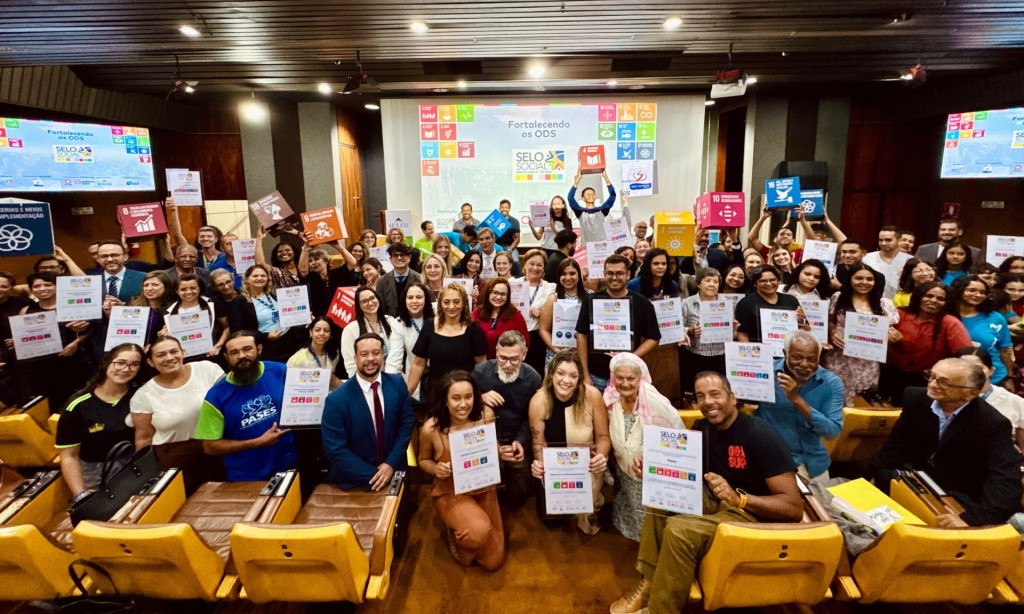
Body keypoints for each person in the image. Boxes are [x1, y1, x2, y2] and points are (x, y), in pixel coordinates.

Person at [610, 371, 802, 614]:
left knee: (678, 530)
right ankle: (649, 583)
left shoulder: (761, 436)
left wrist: (740, 499)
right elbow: (683, 471)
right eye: (700, 396)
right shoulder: (702, 428)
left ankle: (661, 610)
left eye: (715, 394)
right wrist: (653, 469)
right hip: (714, 500)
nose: (708, 402)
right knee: (660, 498)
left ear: (732, 397)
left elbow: (793, 508)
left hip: (749, 515)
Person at [874, 358, 1022, 527]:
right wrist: (878, 481)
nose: (933, 384)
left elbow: (1004, 477)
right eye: (931, 376)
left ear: (970, 393)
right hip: (913, 481)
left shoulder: (992, 422)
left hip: (957, 493)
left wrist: (972, 520)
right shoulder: (915, 398)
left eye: (944, 382)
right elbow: (894, 448)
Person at [418, 370, 505, 570]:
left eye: (468, 397)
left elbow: (493, 447)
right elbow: (423, 460)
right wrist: (437, 469)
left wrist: (501, 452)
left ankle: (467, 524)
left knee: (493, 562)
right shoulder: (431, 429)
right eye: (456, 398)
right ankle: (458, 533)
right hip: (451, 490)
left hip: (484, 486)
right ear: (445, 400)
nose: (463, 404)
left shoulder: (486, 415)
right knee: (477, 532)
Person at [193, 331, 297, 482]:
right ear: (226, 357)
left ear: (259, 349)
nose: (242, 356)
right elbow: (209, 446)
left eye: (247, 349)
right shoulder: (215, 396)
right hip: (246, 476)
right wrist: (258, 442)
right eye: (234, 352)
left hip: (288, 462)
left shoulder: (279, 371)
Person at [603, 353, 684, 541]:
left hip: (651, 472)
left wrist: (655, 459)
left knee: (650, 529)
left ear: (640, 378)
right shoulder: (610, 399)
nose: (625, 384)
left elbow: (677, 434)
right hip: (624, 470)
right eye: (619, 378)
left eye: (630, 378)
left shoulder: (654, 401)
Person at [529, 350, 610, 534]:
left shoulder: (592, 395)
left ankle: (597, 494)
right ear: (551, 374)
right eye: (561, 373)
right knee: (552, 521)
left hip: (585, 465)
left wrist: (600, 457)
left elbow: (603, 437)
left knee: (587, 513)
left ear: (579, 378)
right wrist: (540, 464)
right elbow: (538, 443)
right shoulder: (538, 401)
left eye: (573, 376)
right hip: (555, 468)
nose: (566, 380)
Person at [321, 332, 414, 490]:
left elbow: (406, 426)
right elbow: (335, 449)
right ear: (355, 358)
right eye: (364, 354)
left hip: (395, 473)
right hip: (353, 482)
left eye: (376, 353)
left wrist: (390, 464)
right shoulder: (336, 400)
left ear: (382, 355)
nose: (370, 358)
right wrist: (375, 476)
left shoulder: (397, 384)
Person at [130, 337, 224, 490]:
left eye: (174, 351)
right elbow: (143, 439)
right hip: (174, 460)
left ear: (183, 352)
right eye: (161, 355)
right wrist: (145, 475)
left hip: (218, 448)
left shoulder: (207, 369)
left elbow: (231, 401)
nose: (169, 358)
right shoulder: (143, 395)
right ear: (151, 362)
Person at [56, 343, 144, 501]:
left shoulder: (142, 394)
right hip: (96, 474)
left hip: (136, 467)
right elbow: (69, 456)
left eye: (134, 364)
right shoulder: (78, 405)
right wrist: (81, 495)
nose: (126, 369)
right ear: (107, 363)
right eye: (120, 363)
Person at [754, 331, 844, 482]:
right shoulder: (765, 372)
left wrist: (796, 399)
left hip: (812, 461)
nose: (804, 364)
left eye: (811, 359)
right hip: (770, 456)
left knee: (822, 497)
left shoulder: (831, 383)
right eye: (797, 357)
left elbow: (832, 431)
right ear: (785, 354)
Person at [472, 331, 542, 506]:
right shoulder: (480, 372)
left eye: (514, 359)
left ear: (524, 354)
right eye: (503, 358)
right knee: (481, 492)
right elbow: (464, 406)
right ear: (496, 352)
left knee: (519, 494)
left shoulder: (533, 378)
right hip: (485, 440)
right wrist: (479, 397)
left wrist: (520, 441)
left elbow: (533, 418)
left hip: (515, 441)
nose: (508, 365)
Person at [575, 254, 661, 392]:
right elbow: (581, 335)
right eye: (610, 273)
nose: (614, 277)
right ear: (604, 274)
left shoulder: (643, 303)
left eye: (619, 273)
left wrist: (630, 357)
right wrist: (585, 375)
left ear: (628, 274)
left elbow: (654, 337)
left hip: (627, 377)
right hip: (595, 375)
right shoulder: (590, 301)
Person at [822, 262, 900, 404]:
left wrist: (892, 336)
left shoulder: (884, 304)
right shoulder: (838, 298)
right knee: (834, 398)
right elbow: (829, 321)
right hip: (839, 358)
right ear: (850, 279)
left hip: (867, 362)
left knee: (862, 400)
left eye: (869, 279)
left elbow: (889, 331)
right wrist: (833, 332)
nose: (864, 282)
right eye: (858, 278)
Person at [883, 281, 972, 404]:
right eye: (929, 296)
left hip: (927, 381)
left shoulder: (950, 323)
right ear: (919, 297)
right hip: (891, 375)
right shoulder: (900, 315)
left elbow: (966, 355)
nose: (934, 301)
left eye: (940, 299)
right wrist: (886, 338)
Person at [17, 272, 94, 408]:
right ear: (32, 289)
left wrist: (77, 342)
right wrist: (17, 341)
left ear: (58, 286)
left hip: (71, 360)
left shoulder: (72, 306)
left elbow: (91, 329)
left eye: (48, 285)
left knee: (74, 401)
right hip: (40, 366)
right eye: (37, 286)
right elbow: (23, 335)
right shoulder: (25, 310)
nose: (42, 289)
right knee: (48, 403)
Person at [406, 283, 487, 398]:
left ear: (464, 303)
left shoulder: (473, 329)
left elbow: (481, 365)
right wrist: (406, 395)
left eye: (456, 301)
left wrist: (481, 394)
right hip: (436, 393)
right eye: (446, 302)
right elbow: (418, 364)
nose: (451, 306)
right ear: (440, 303)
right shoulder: (429, 325)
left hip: (465, 394)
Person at [626, 248, 682, 405]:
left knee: (668, 379)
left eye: (664, 263)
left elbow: (675, 311)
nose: (661, 267)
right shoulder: (634, 285)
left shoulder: (672, 285)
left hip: (667, 339)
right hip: (644, 338)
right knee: (646, 381)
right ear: (648, 265)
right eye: (656, 263)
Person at [950, 275, 1016, 389]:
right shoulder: (947, 317)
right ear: (959, 291)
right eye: (972, 290)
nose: (978, 295)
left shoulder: (995, 317)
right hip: (954, 379)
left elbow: (1005, 350)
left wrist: (1009, 378)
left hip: (994, 379)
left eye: (982, 292)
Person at [227, 264, 298, 363]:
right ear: (247, 279)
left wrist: (302, 317)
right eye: (255, 276)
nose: (259, 278)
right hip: (265, 348)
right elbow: (238, 331)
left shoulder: (274, 295)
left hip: (288, 343)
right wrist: (266, 336)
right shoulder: (239, 301)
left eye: (263, 276)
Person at [955, 348, 1024, 450]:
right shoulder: (944, 398)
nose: (970, 373)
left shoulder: (1014, 401)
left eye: (978, 368)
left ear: (991, 370)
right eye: (962, 368)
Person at [680, 268, 731, 391]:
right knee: (696, 390)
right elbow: (679, 328)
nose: (712, 284)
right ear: (699, 284)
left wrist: (732, 328)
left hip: (720, 356)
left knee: (718, 390)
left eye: (715, 282)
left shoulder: (726, 303)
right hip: (695, 355)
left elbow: (731, 334)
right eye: (708, 281)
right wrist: (690, 330)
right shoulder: (687, 303)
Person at [340, 286, 403, 378]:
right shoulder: (350, 330)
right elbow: (351, 365)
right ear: (359, 306)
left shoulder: (391, 321)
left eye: (372, 298)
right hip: (366, 380)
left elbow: (398, 354)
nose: (370, 303)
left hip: (393, 376)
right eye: (364, 301)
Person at [735, 265, 807, 344]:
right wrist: (753, 351)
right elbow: (741, 334)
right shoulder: (746, 303)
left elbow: (807, 329)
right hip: (759, 349)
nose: (769, 284)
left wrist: (801, 322)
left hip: (789, 349)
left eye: (773, 280)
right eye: (763, 281)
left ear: (778, 281)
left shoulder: (791, 300)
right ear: (755, 283)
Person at [512, 249, 556, 375]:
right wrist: (527, 308)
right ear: (525, 264)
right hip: (515, 335)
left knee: (535, 374)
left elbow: (554, 312)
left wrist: (542, 312)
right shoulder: (513, 283)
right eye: (531, 263)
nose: (535, 268)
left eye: (539, 265)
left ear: (544, 268)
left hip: (538, 338)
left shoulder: (550, 287)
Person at [538, 258, 587, 371]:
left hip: (583, 355)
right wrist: (557, 350)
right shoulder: (553, 298)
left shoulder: (589, 296)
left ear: (579, 275)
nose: (568, 277)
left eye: (572, 273)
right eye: (563, 274)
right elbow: (543, 330)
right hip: (557, 355)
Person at [166, 273, 227, 360]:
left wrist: (218, 345)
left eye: (193, 288)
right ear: (177, 291)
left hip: (212, 355)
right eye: (183, 289)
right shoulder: (167, 311)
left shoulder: (213, 303)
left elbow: (227, 327)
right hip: (184, 359)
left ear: (199, 288)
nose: (188, 292)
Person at [394, 282, 434, 402]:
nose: (414, 301)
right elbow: (394, 358)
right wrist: (390, 386)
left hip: (440, 375)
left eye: (419, 297)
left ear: (426, 299)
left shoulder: (438, 314)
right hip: (416, 378)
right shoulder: (399, 323)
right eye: (410, 297)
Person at [472, 277, 529, 359]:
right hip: (480, 362)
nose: (498, 297)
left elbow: (525, 343)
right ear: (488, 293)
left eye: (503, 294)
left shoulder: (516, 316)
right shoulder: (476, 314)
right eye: (495, 293)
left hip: (507, 363)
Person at [287, 317, 343, 390]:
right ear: (311, 332)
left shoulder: (334, 352)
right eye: (317, 330)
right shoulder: (297, 358)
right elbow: (289, 384)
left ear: (330, 334)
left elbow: (333, 380)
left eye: (326, 330)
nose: (322, 333)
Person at [305, 244, 360, 318]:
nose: (313, 263)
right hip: (321, 318)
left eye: (316, 259)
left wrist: (336, 245)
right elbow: (302, 270)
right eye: (310, 261)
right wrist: (305, 248)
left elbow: (352, 263)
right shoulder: (310, 278)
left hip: (341, 315)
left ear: (326, 261)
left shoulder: (336, 273)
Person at [861, 225, 911, 300]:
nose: (883, 243)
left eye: (888, 240)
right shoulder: (867, 258)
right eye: (881, 240)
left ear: (899, 240)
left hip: (900, 304)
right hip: (872, 301)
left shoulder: (909, 260)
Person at [568, 168, 616, 244]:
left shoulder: (602, 210)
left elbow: (612, 196)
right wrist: (578, 178)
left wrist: (605, 177)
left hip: (602, 247)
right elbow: (570, 198)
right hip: (586, 248)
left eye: (593, 194)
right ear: (583, 198)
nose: (591, 195)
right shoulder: (580, 212)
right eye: (588, 194)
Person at [376, 242, 422, 318]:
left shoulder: (420, 279)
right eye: (395, 255)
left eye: (403, 255)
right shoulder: (382, 281)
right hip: (390, 321)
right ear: (390, 259)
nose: (399, 258)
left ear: (409, 257)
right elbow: (380, 306)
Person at [915, 217, 983, 264]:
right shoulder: (923, 249)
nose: (946, 232)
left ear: (960, 232)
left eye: (951, 230)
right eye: (943, 229)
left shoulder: (975, 252)